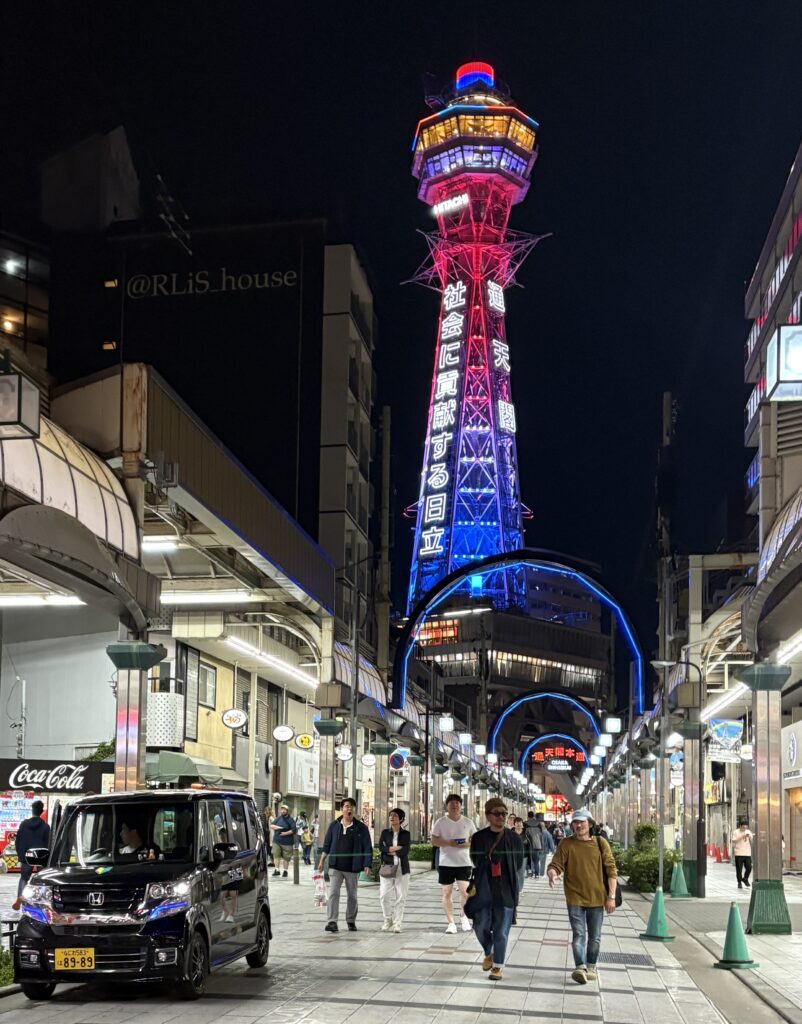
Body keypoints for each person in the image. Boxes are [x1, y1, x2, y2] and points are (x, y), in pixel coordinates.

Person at [547, 809, 618, 986]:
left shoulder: (600, 843)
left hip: (596, 897)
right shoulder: (566, 843)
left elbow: (611, 870)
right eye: (575, 823)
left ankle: (591, 966)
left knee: (595, 936)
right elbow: (556, 864)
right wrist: (552, 873)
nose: (578, 826)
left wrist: (611, 896)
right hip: (574, 897)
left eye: (582, 822)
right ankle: (580, 967)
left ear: (590, 824)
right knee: (579, 933)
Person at [469, 797, 524, 981]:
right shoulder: (478, 838)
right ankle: (489, 951)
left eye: (503, 813)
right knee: (480, 925)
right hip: (484, 890)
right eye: (497, 813)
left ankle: (498, 966)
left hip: (506, 891)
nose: (501, 817)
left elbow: (517, 864)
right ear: (488, 816)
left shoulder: (514, 839)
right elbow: (474, 860)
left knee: (501, 930)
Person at [319, 797, 372, 933]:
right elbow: (327, 844)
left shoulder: (361, 828)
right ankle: (332, 921)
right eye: (347, 806)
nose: (349, 809)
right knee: (333, 893)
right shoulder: (334, 825)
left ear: (354, 810)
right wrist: (322, 861)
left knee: (352, 896)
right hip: (335, 866)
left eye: (352, 807)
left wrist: (367, 864)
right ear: (342, 809)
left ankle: (350, 920)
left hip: (352, 868)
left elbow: (367, 847)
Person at [432, 793, 476, 934]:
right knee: (446, 892)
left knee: (465, 892)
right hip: (446, 863)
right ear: (447, 806)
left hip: (464, 862)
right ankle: (451, 923)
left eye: (457, 803)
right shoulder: (440, 822)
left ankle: (463, 916)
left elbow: (475, 840)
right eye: (452, 803)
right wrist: (448, 843)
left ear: (461, 806)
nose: (455, 805)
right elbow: (434, 840)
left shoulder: (468, 822)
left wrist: (465, 845)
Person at [12, 800, 50, 911]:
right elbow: (48, 843)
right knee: (42, 880)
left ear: (32, 810)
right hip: (41, 857)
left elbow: (18, 841)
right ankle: (40, 901)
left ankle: (20, 897)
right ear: (41, 811)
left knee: (24, 878)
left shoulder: (24, 824)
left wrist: (21, 856)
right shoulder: (45, 826)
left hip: (26, 856)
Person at [378, 807, 411, 932]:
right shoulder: (385, 833)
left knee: (400, 897)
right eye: (390, 815)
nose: (392, 817)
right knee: (384, 895)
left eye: (395, 815)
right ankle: (387, 919)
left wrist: (390, 849)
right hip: (387, 867)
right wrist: (395, 849)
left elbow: (405, 850)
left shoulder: (406, 834)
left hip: (402, 869)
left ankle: (397, 922)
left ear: (401, 819)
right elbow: (381, 847)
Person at [269, 804, 296, 877]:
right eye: (282, 809)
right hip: (277, 841)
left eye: (284, 809)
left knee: (286, 857)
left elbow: (293, 830)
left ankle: (285, 871)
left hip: (287, 842)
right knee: (276, 855)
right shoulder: (278, 818)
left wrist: (285, 833)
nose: (283, 811)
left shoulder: (290, 819)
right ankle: (277, 870)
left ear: (287, 811)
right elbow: (271, 825)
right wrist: (277, 827)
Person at [731, 818, 753, 889]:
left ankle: (745, 878)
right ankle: (739, 882)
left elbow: (751, 842)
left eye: (746, 827)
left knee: (749, 867)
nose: (744, 829)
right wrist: (742, 836)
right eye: (743, 827)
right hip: (738, 853)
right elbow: (734, 841)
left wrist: (749, 837)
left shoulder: (748, 832)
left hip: (747, 853)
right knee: (739, 869)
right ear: (740, 826)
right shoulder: (736, 832)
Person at [524, 811, 543, 877]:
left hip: (528, 844)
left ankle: (530, 873)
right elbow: (541, 835)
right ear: (533, 816)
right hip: (537, 844)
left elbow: (523, 835)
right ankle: (537, 874)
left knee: (529, 859)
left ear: (528, 816)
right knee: (536, 860)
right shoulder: (538, 824)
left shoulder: (525, 824)